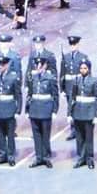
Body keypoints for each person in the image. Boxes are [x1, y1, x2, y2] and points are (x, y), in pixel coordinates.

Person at [26, 38, 60, 168]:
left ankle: (45, 157)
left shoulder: (50, 78)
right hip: (35, 109)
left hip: (46, 109)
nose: (38, 67)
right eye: (37, 65)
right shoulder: (33, 78)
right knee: (36, 134)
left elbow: (55, 95)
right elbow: (30, 95)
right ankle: (39, 157)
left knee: (45, 134)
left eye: (41, 65)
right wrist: (27, 109)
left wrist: (54, 110)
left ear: (45, 65)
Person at [0, 52, 23, 167]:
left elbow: (18, 95)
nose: (0, 67)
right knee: (0, 134)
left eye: (2, 65)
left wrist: (18, 110)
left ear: (7, 65)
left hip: (9, 109)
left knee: (10, 134)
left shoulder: (13, 77)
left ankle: (11, 156)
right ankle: (2, 155)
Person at [67, 59, 97, 168]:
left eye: (85, 68)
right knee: (79, 137)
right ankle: (81, 158)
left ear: (89, 69)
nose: (83, 70)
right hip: (77, 112)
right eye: (81, 68)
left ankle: (89, 158)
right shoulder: (76, 80)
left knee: (88, 137)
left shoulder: (94, 81)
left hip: (89, 113)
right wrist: (69, 113)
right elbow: (72, 98)